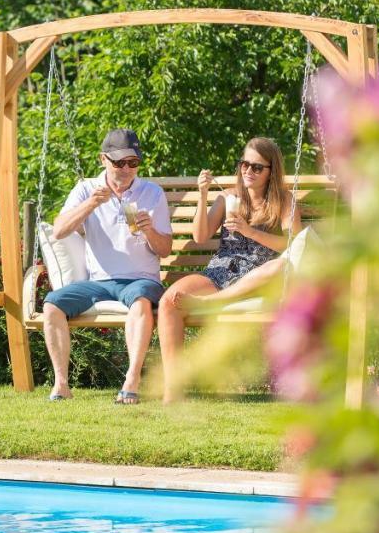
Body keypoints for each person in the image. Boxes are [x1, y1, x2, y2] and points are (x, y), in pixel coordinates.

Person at [157, 136, 301, 403]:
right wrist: (202, 195)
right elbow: (200, 236)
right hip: (221, 271)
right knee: (168, 302)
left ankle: (208, 303)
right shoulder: (228, 198)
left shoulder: (284, 200)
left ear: (272, 171)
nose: (248, 171)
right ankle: (173, 388)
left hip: (261, 273)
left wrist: (249, 232)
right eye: (244, 164)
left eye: (257, 167)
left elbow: (295, 245)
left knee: (280, 265)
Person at [42, 128, 172, 403]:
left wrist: (149, 231)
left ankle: (131, 380)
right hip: (99, 281)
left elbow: (165, 249)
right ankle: (62, 384)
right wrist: (90, 204)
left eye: (133, 162)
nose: (126, 169)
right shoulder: (87, 189)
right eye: (119, 162)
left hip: (140, 280)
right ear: (103, 160)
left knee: (140, 303)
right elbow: (59, 230)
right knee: (52, 304)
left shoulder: (151, 193)